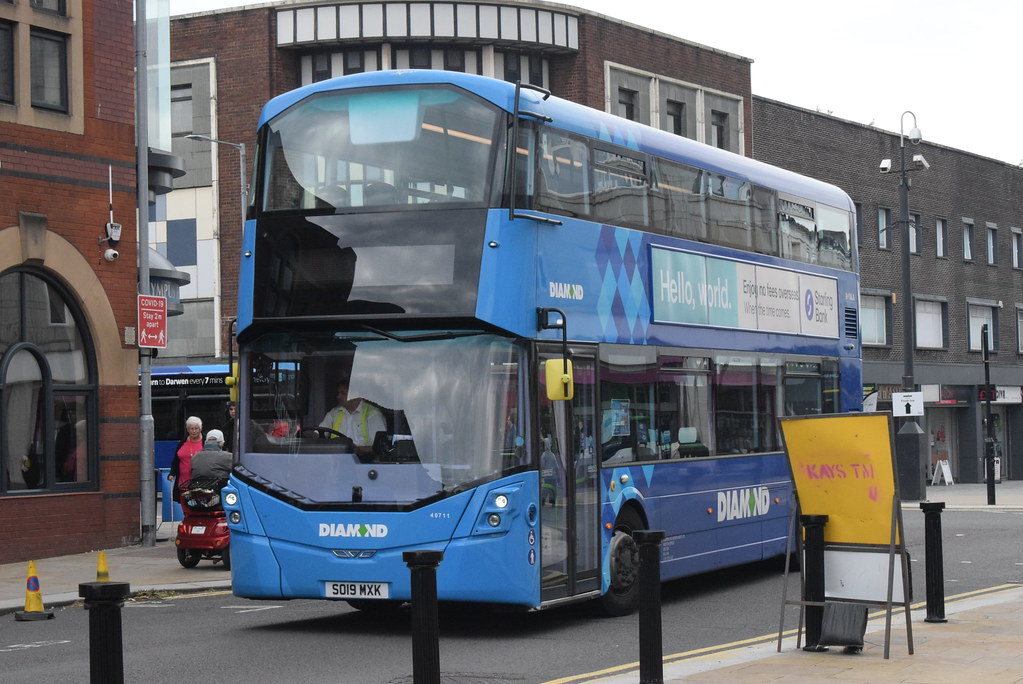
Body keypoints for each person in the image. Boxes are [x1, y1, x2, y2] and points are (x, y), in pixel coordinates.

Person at [319, 378, 385, 456]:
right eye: (338, 393)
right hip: (336, 461)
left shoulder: (373, 414)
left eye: (343, 393)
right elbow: (319, 433)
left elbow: (379, 447)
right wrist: (309, 435)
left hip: (364, 463)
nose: (338, 396)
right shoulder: (334, 413)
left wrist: (356, 450)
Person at [168, 416, 204, 501]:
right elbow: (176, 461)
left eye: (196, 428)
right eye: (191, 429)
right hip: (183, 482)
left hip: (200, 482)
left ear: (200, 429)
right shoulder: (182, 442)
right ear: (187, 430)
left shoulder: (205, 442)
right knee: (185, 507)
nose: (194, 431)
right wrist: (172, 473)